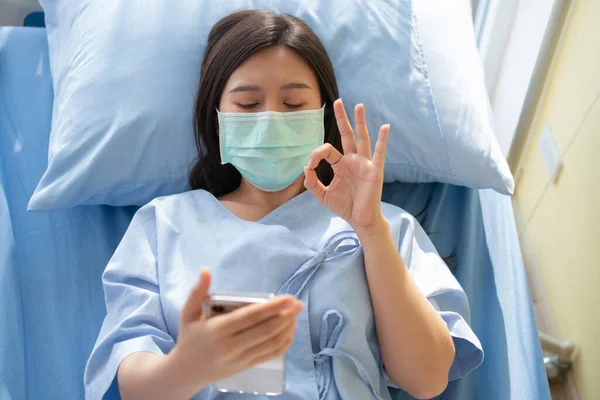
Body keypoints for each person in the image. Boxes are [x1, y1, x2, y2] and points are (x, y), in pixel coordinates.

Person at [84, 10, 483, 400]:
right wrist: (187, 367)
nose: (271, 119)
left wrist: (371, 231)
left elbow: (428, 379)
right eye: (247, 105)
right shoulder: (163, 224)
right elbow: (129, 384)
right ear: (218, 116)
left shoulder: (387, 226)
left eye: (293, 105)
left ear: (322, 114)